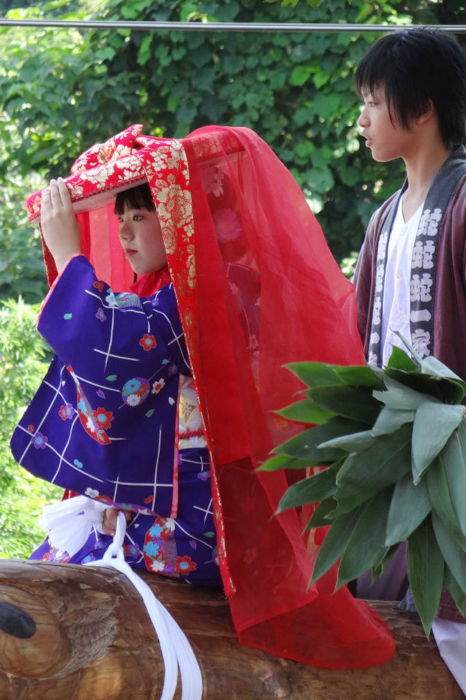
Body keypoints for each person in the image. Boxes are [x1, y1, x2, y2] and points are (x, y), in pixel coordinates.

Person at [11, 124, 395, 668]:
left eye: (141, 216)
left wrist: (72, 258)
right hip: (204, 504)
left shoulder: (199, 300)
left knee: (62, 582)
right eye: (120, 216)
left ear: (180, 218)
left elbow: (106, 347)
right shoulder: (208, 288)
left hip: (206, 521)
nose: (123, 231)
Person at [353, 28, 466, 690]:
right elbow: (355, 337)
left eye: (372, 101)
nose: (362, 119)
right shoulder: (384, 219)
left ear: (421, 109)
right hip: (397, 474)